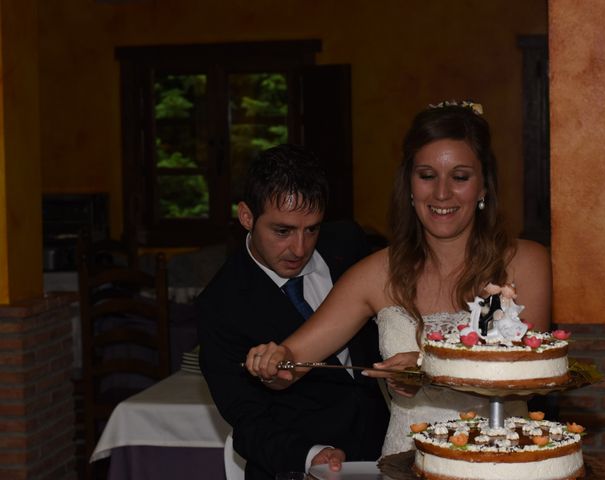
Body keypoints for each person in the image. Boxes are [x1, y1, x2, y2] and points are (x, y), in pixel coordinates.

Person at [245, 102, 552, 456]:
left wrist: (428, 368)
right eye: (426, 175)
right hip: (409, 461)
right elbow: (293, 360)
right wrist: (272, 362)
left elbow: (530, 380)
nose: (441, 193)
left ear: (484, 186)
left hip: (502, 462)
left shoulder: (525, 262)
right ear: (409, 183)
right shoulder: (374, 273)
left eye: (460, 177)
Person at [197, 144, 389, 480]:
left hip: (385, 452)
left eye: (312, 229)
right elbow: (248, 420)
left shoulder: (348, 243)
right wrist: (311, 455)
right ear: (246, 217)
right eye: (282, 231)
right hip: (293, 468)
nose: (300, 248)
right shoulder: (220, 304)